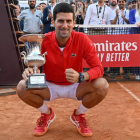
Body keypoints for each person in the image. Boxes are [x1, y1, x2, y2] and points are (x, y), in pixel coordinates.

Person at [17, 3, 109, 137]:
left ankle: (78, 115)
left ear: (73, 23)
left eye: (68, 21)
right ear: (53, 22)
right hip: (49, 86)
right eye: (60, 21)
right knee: (21, 87)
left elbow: (99, 69)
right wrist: (29, 71)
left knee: (102, 85)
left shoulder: (82, 39)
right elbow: (33, 66)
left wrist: (82, 76)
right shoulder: (43, 40)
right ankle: (47, 114)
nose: (65, 25)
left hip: (76, 85)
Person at [129, 0, 140, 80]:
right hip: (135, 35)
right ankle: (137, 73)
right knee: (136, 54)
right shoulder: (132, 11)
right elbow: (131, 21)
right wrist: (136, 23)